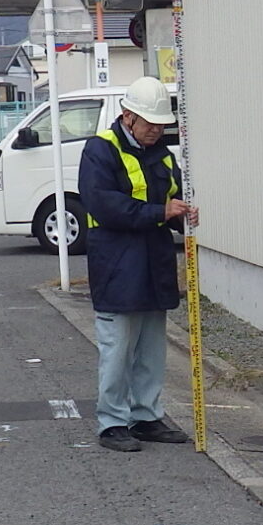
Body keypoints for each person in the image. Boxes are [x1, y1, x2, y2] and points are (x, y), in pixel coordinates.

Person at [78, 77, 198, 453]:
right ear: (127, 116)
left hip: (154, 260)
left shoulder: (163, 154)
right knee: (117, 347)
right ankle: (112, 422)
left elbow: (174, 198)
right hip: (116, 261)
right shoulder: (100, 150)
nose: (156, 131)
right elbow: (103, 204)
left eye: (161, 125)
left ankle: (146, 416)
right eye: (149, 124)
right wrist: (160, 211)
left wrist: (183, 215)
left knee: (151, 347)